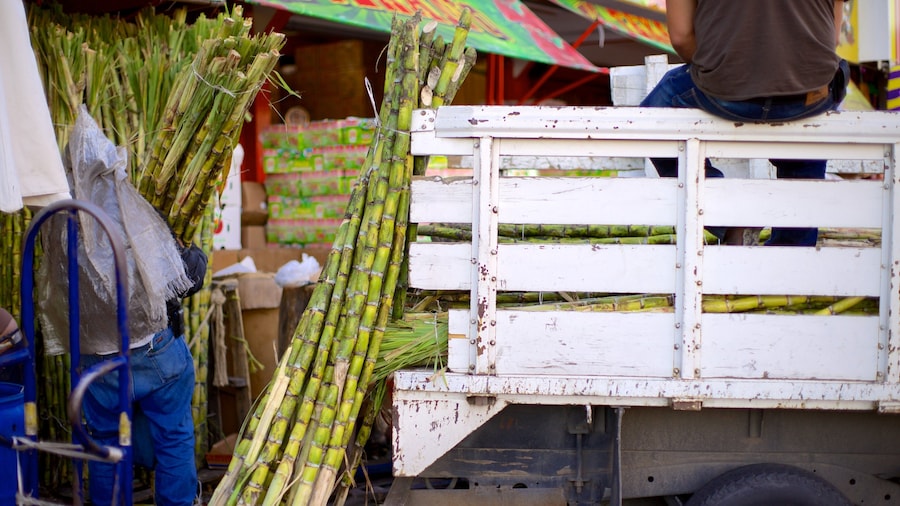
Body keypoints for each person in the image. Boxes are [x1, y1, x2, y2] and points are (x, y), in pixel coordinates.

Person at [640, 0, 850, 246]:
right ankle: (793, 257)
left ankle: (727, 216)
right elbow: (831, 37)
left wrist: (722, 68)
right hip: (810, 93)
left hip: (726, 89)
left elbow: (682, 37)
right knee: (803, 154)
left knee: (654, 116)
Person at [80, 240, 207, 506]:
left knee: (105, 438)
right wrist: (194, 254)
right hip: (153, 348)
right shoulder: (133, 210)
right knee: (172, 437)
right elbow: (187, 277)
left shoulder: (64, 219)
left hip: (97, 354)